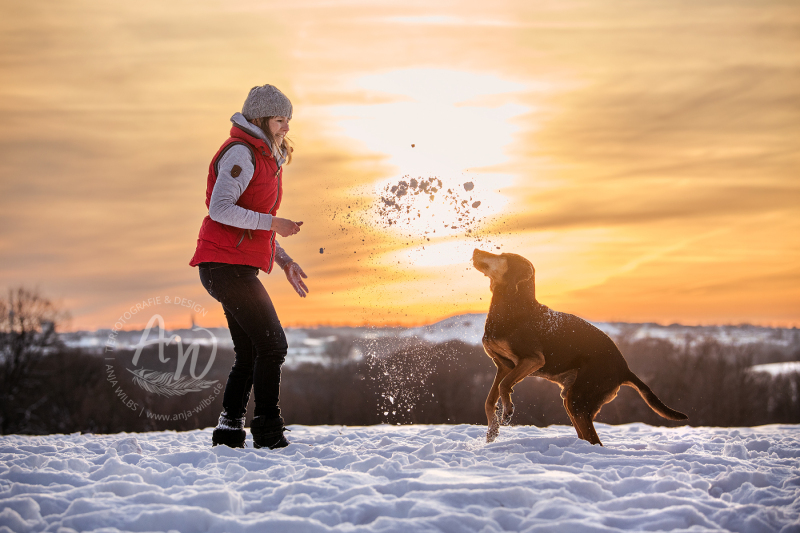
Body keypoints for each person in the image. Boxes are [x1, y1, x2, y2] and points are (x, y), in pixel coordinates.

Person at [189, 84, 308, 449]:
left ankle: (229, 430)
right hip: (224, 267)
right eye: (279, 119)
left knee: (252, 350)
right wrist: (274, 224)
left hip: (232, 266)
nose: (286, 127)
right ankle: (268, 430)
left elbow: (251, 222)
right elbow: (220, 209)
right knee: (273, 345)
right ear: (260, 119)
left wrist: (283, 260)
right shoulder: (241, 153)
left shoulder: (266, 157)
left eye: (288, 119)